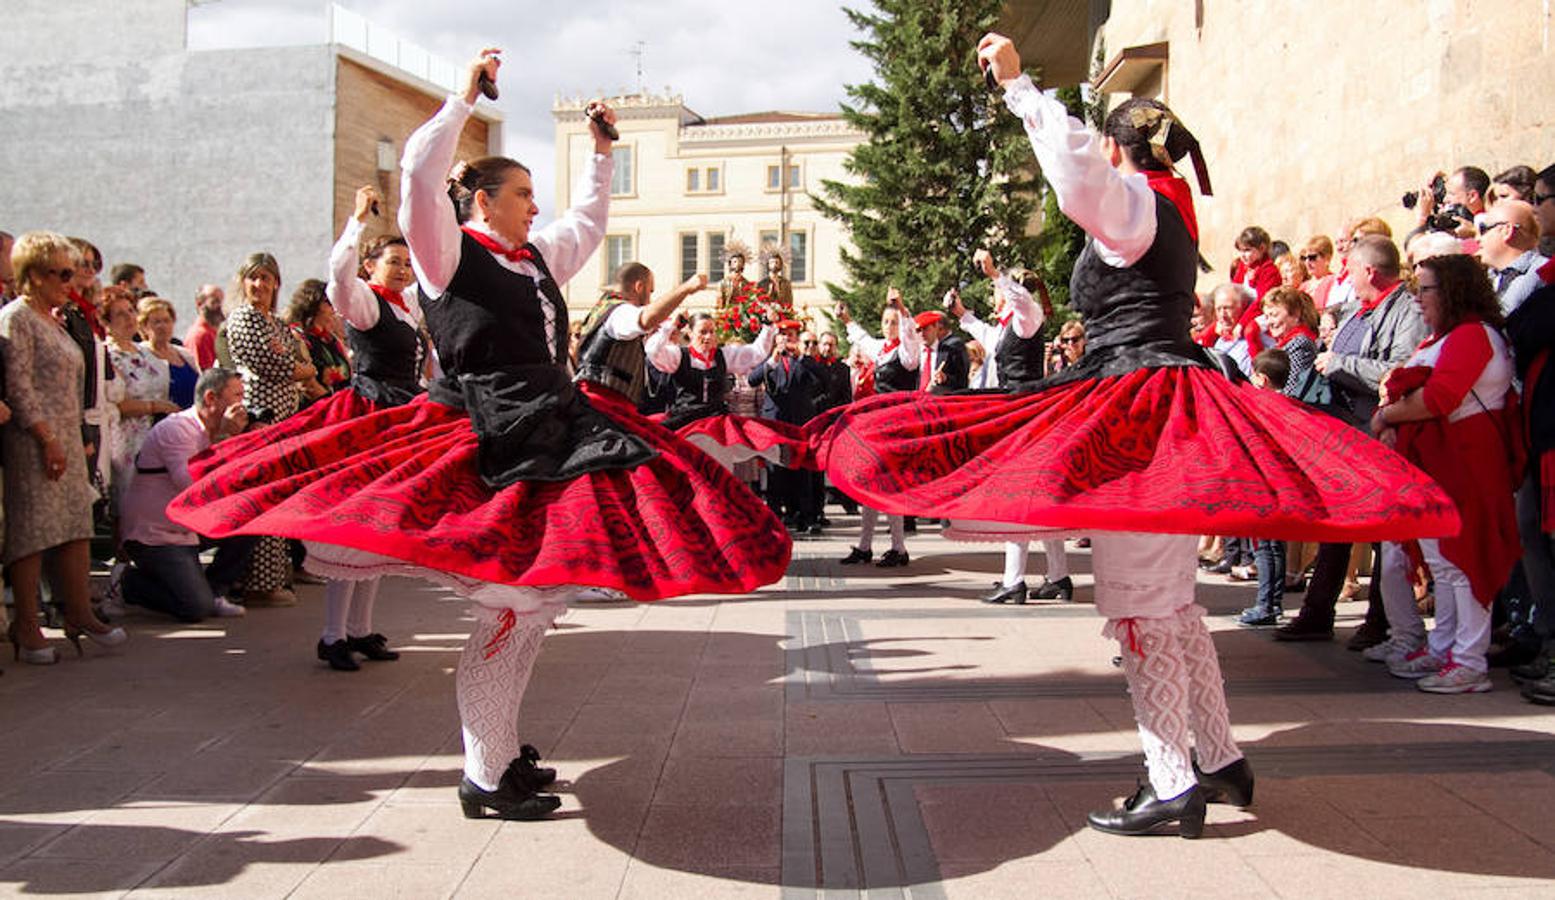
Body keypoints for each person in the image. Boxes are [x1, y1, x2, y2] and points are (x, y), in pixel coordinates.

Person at [811, 33, 1457, 837]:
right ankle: (1216, 759)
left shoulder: (1133, 204)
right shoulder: (1167, 213)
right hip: (1165, 404)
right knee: (1172, 606)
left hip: (1139, 414)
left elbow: (1076, 169)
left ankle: (1170, 778)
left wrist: (1019, 88)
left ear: (1121, 148)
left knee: (1143, 608)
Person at [167, 49, 790, 820]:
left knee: (532, 611)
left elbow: (589, 224)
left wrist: (601, 155)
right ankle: (484, 774)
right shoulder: (445, 250)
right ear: (482, 200)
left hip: (553, 430)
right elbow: (421, 181)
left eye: (535, 194)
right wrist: (461, 100)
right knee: (509, 607)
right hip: (486, 440)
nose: (535, 206)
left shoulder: (533, 258)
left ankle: (494, 755)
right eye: (522, 193)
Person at [1369, 254, 1521, 693]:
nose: (1418, 299)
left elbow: (1439, 398)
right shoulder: (1449, 336)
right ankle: (1446, 647)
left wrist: (1385, 418)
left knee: (1464, 560)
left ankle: (1469, 660)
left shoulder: (1474, 336)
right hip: (1442, 462)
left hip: (1468, 460)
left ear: (1453, 291)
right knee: (1444, 561)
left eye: (1427, 289)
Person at [2, 231, 126, 664]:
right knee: (33, 531)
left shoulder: (54, 318)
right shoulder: (17, 318)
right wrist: (47, 438)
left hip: (67, 437)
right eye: (63, 273)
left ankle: (79, 613)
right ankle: (29, 626)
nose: (71, 282)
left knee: (76, 525)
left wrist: (74, 439)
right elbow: (18, 385)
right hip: (34, 439)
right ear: (33, 274)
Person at [118, 367, 253, 621]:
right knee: (195, 608)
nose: (241, 404)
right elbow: (191, 485)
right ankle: (127, 583)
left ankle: (214, 590)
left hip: (188, 528)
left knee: (250, 519)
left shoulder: (214, 431)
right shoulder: (178, 429)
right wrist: (224, 437)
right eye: (236, 396)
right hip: (155, 535)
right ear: (211, 398)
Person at [221, 252, 316, 608]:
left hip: (284, 417)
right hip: (261, 415)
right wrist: (299, 367)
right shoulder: (244, 319)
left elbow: (305, 360)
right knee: (263, 494)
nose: (259, 285)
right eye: (253, 278)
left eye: (266, 278)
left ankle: (277, 576)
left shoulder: (275, 322)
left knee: (280, 496)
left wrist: (299, 366)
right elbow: (277, 366)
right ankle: (257, 581)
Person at [834, 289, 920, 568]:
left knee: (889, 487)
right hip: (880, 426)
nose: (889, 326)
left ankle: (898, 547)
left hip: (899, 426)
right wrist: (847, 320)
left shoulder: (907, 352)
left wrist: (903, 309)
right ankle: (865, 545)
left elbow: (909, 338)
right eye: (886, 322)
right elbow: (863, 339)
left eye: (893, 322)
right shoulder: (882, 350)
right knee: (871, 484)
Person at [104, 289, 180, 513]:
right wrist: (155, 406)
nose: (129, 318)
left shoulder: (143, 352)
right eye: (120, 314)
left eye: (130, 311)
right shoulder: (107, 355)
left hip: (156, 438)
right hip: (128, 442)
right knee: (130, 508)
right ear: (105, 321)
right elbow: (117, 402)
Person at [283, 279, 352, 402]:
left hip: (341, 407)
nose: (333, 308)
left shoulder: (331, 339)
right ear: (313, 305)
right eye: (328, 302)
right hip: (320, 410)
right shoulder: (297, 337)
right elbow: (308, 386)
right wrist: (332, 406)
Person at [139, 297, 201, 409]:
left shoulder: (185, 354)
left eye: (166, 320)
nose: (162, 326)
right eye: (156, 322)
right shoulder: (141, 356)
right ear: (144, 327)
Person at [184, 284, 225, 369]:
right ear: (200, 304)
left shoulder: (215, 332)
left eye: (222, 301)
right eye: (215, 302)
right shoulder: (200, 336)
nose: (220, 307)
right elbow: (205, 375)